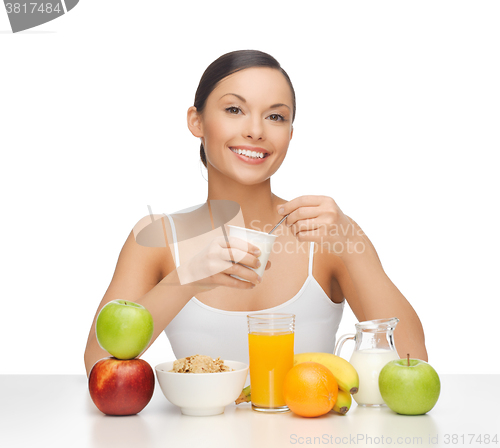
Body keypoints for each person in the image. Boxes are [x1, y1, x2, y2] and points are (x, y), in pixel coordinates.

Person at [84, 50, 427, 377]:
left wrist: (351, 241)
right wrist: (188, 278)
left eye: (275, 116)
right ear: (197, 121)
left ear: (290, 134)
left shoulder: (326, 233)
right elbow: (99, 366)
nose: (256, 130)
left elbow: (412, 364)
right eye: (234, 109)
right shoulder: (157, 237)